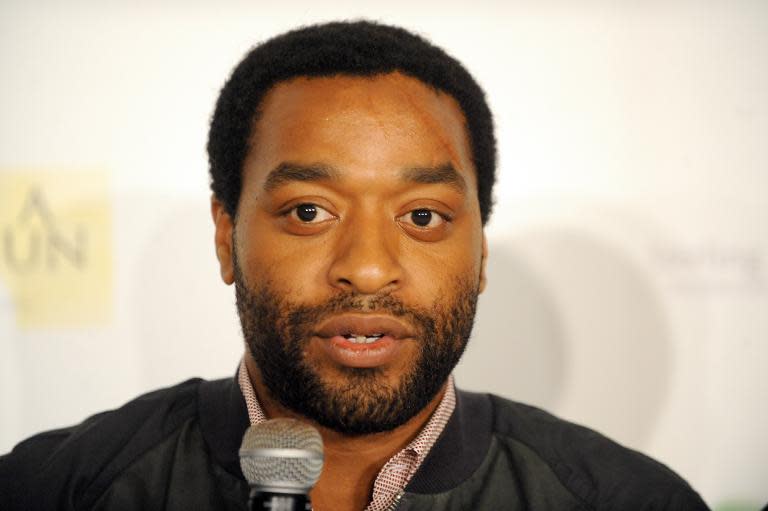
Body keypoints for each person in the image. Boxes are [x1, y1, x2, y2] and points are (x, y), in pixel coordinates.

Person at [0, 20, 709, 511]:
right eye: (310, 211)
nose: (368, 270)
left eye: (422, 216)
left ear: (482, 249)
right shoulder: (54, 489)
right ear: (226, 235)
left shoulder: (624, 498)